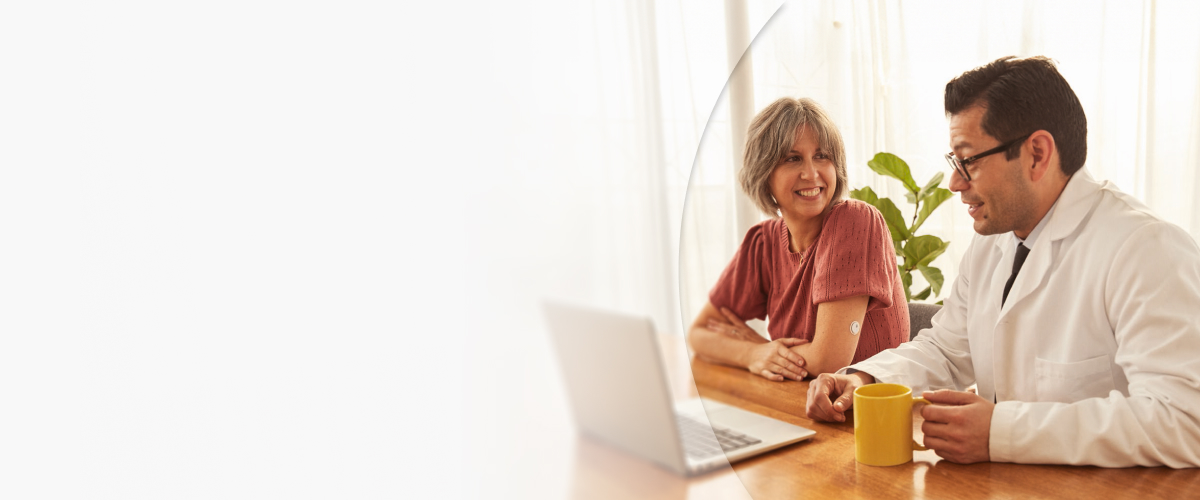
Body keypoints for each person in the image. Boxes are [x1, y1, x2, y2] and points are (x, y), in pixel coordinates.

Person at [805, 56, 1200, 468]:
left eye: (969, 160)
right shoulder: (995, 243)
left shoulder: (1145, 249)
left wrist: (1002, 431)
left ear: (1036, 154)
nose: (956, 182)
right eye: (953, 162)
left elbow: (1185, 420)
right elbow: (948, 349)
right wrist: (864, 379)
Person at [687, 97, 909, 381]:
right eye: (793, 159)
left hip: (868, 413)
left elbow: (829, 361)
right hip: (798, 404)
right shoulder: (763, 242)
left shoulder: (854, 222)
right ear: (763, 174)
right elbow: (700, 334)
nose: (811, 173)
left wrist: (762, 348)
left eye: (822, 156)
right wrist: (752, 354)